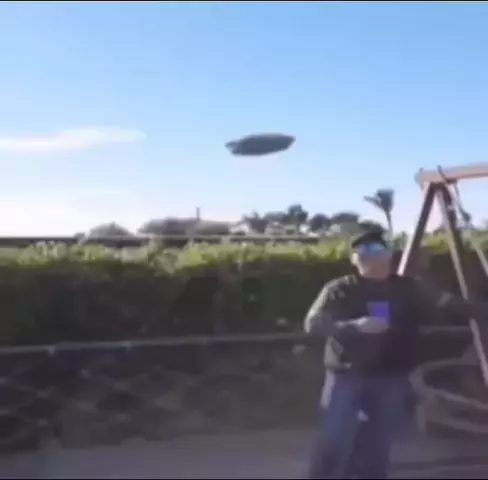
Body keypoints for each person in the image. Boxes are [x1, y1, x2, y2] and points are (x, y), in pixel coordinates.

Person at [304, 230, 488, 479]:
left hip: (389, 375)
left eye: (380, 251)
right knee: (335, 437)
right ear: (354, 259)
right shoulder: (339, 288)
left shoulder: (408, 288)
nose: (374, 258)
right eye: (365, 253)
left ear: (390, 256)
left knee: (379, 442)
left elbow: (452, 304)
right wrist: (354, 326)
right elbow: (313, 324)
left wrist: (481, 311)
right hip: (346, 375)